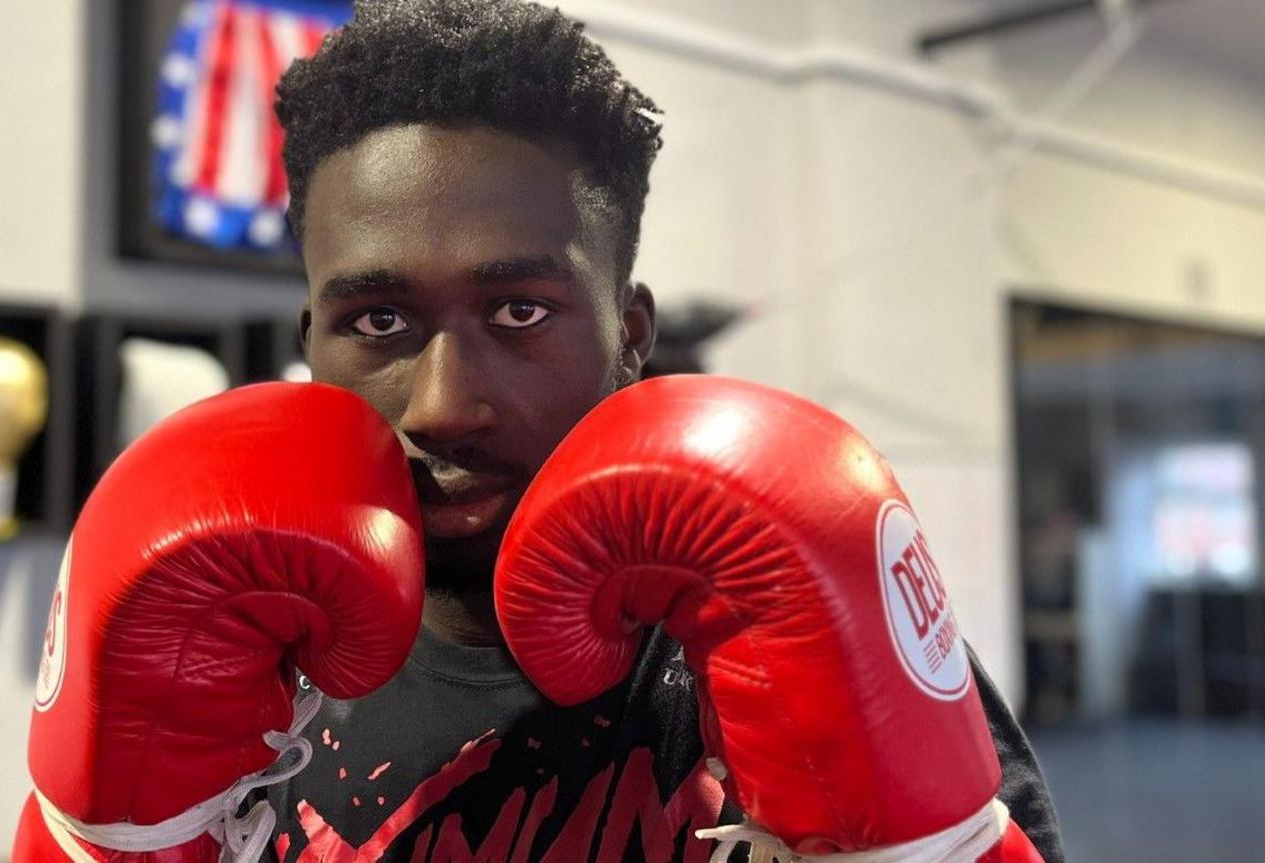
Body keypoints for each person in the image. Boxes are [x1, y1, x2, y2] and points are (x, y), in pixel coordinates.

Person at [264, 1, 1066, 860]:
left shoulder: (817, 646)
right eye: (379, 321)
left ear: (631, 337)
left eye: (519, 310)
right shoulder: (238, 670)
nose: (443, 406)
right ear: (312, 345)